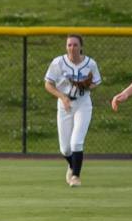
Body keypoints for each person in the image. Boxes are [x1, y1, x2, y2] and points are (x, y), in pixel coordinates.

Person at [43, 34, 101, 187]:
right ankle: (72, 165)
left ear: (81, 47)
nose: (72, 48)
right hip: (64, 105)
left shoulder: (90, 63)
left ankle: (75, 176)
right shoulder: (58, 63)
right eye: (69, 45)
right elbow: (48, 84)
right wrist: (62, 97)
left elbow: (96, 82)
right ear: (66, 47)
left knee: (76, 142)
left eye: (75, 45)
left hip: (83, 104)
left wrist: (87, 85)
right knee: (65, 148)